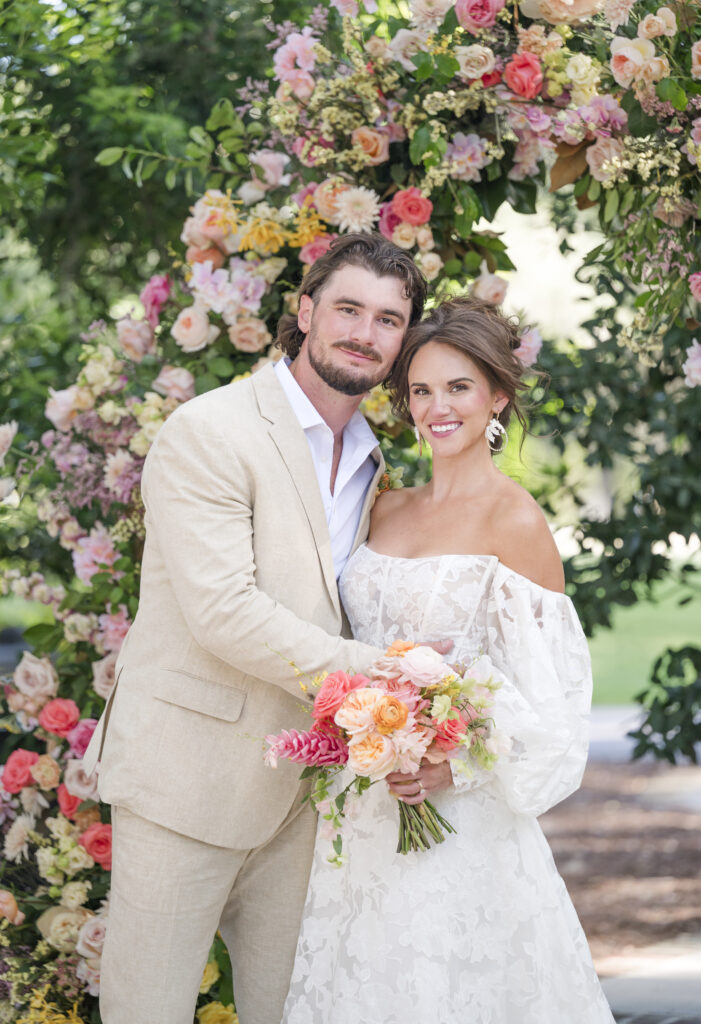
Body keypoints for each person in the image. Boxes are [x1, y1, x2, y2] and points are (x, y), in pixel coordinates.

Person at [82, 233, 433, 1024]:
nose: (364, 333)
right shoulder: (211, 432)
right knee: (150, 1011)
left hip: (306, 798)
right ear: (304, 311)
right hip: (187, 781)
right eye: (347, 308)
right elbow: (223, 611)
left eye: (387, 319)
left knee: (294, 1011)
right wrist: (384, 675)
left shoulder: (376, 461)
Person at [282, 296, 616, 1024]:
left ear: (495, 395)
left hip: (457, 823)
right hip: (358, 815)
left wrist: (449, 763)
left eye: (458, 387)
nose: (437, 407)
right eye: (421, 390)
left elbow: (553, 704)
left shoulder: (515, 521)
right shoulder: (383, 504)